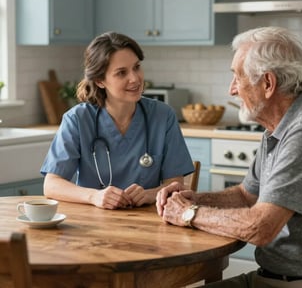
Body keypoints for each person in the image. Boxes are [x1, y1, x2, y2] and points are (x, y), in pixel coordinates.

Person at [156, 26, 302, 288]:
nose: (232, 90)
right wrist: (195, 198)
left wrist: (188, 214)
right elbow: (247, 196)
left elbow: (261, 228)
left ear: (268, 84)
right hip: (278, 278)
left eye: (237, 77)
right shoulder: (280, 126)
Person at [41, 31, 194, 210]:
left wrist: (149, 194)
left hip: (148, 224)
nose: (135, 78)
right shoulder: (77, 120)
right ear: (99, 81)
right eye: (121, 73)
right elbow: (51, 185)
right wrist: (94, 196)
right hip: (91, 226)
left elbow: (174, 185)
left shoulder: (163, 116)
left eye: (136, 67)